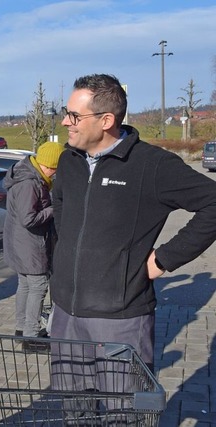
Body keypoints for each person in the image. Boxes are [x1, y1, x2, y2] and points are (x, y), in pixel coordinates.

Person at [50, 74, 216, 414]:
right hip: (66, 314)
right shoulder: (68, 161)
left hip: (121, 320)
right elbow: (62, 213)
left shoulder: (151, 165)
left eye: (74, 116)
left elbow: (212, 203)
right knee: (74, 411)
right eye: (65, 112)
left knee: (123, 414)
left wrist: (164, 259)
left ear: (107, 120)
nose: (66, 122)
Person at [2, 141, 65, 353]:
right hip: (29, 244)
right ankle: (31, 336)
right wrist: (54, 208)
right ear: (49, 166)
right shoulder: (29, 183)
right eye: (56, 169)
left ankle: (22, 330)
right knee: (38, 286)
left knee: (26, 285)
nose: (56, 174)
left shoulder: (30, 176)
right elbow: (29, 218)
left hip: (21, 243)